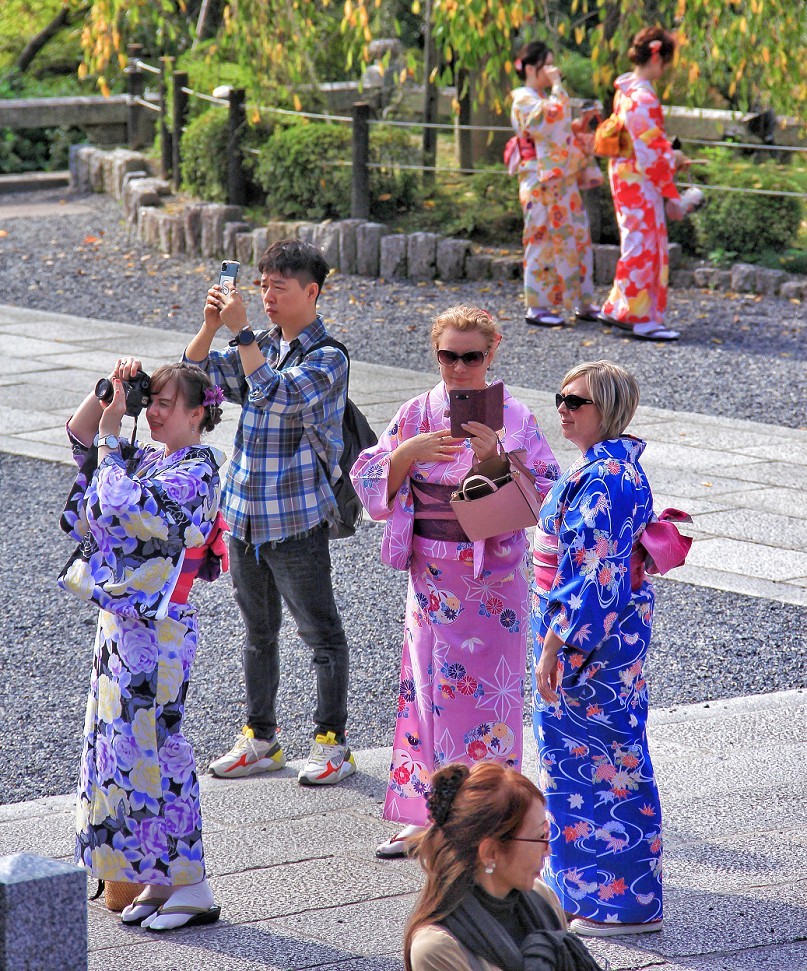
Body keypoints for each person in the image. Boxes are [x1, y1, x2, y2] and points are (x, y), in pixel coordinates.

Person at [350, 306, 559, 857]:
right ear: (436, 354)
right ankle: (430, 817)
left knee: (491, 703)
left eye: (472, 356)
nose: (460, 368)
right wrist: (404, 454)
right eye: (449, 356)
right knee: (426, 694)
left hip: (491, 580)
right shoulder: (417, 412)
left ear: (492, 354)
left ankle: (487, 820)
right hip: (434, 576)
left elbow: (546, 490)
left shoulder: (515, 417)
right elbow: (369, 480)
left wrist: (499, 460)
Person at [59, 358, 228, 930]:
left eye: (163, 403)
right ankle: (159, 877)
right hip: (125, 626)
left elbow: (122, 505)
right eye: (148, 401)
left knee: (160, 750)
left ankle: (193, 882)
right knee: (124, 754)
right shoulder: (153, 459)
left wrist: (112, 439)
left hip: (160, 628)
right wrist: (107, 393)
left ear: (198, 412)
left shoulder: (200, 469)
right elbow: (83, 444)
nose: (151, 412)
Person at [184, 238, 356, 786]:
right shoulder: (266, 344)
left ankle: (332, 742)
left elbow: (275, 394)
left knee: (320, 633)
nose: (266, 296)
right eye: (261, 285)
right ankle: (260, 738)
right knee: (258, 632)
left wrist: (241, 333)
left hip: (296, 520)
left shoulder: (329, 356)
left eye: (278, 287)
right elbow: (195, 379)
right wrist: (212, 327)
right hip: (245, 517)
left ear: (312, 291)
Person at [531, 360, 663, 938]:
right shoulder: (610, 470)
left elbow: (594, 575)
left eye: (576, 401)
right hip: (611, 636)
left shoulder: (606, 479)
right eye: (560, 397)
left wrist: (557, 645)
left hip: (592, 642)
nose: (563, 408)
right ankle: (591, 894)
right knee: (600, 762)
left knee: (599, 766)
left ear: (607, 409)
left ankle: (621, 903)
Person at [404, 761, 605, 971]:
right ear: (490, 852)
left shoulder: (542, 896)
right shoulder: (438, 949)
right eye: (539, 837)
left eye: (547, 834)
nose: (548, 850)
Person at [599, 25, 692, 341]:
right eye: (666, 62)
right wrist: (673, 164)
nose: (665, 70)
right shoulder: (643, 97)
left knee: (636, 243)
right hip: (640, 178)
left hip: (626, 174)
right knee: (645, 245)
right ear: (657, 58)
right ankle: (640, 317)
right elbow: (650, 151)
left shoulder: (625, 91)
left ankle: (618, 307)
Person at [506, 40, 601, 329]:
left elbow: (558, 129)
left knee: (576, 236)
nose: (554, 70)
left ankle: (581, 302)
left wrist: (579, 127)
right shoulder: (523, 97)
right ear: (533, 68)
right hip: (538, 177)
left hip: (558, 178)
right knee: (542, 238)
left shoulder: (542, 96)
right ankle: (538, 305)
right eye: (548, 64)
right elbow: (547, 122)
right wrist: (559, 88)